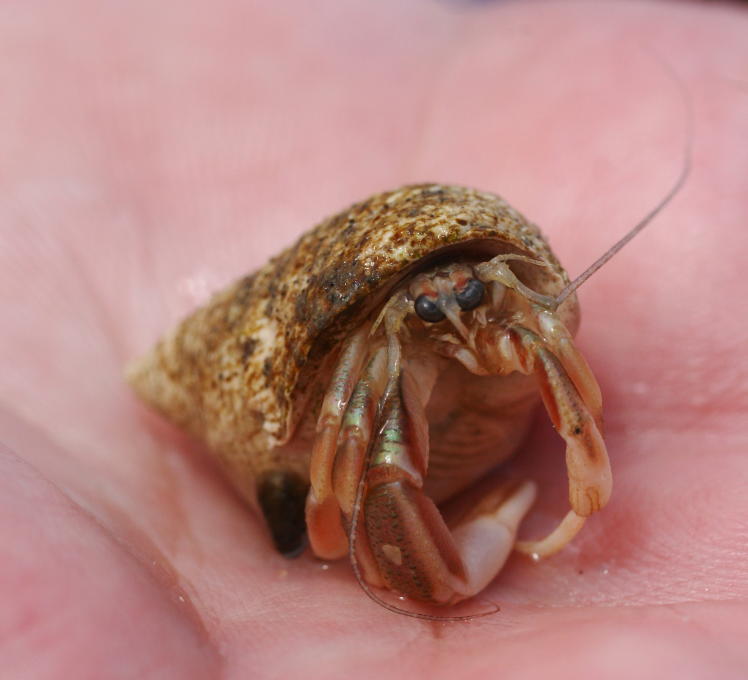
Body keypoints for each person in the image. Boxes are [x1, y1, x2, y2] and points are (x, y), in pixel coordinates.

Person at [1, 1, 746, 677]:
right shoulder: (383, 345)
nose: (456, 314)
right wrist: (328, 514)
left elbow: (527, 322)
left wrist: (582, 468)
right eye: (434, 309)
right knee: (384, 459)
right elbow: (353, 424)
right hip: (358, 357)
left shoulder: (499, 294)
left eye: (475, 294)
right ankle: (419, 554)